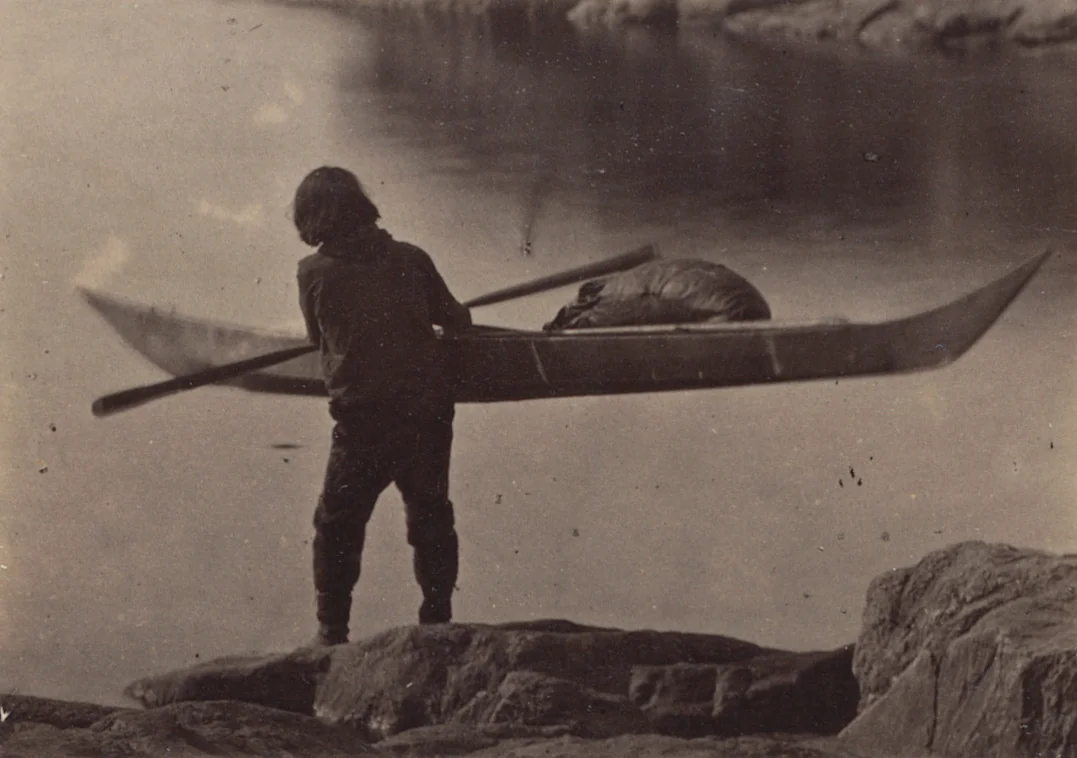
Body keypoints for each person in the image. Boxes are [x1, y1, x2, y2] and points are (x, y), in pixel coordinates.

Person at [292, 166, 472, 646]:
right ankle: (437, 621)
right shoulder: (412, 258)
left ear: (313, 218)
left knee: (337, 524)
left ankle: (331, 633)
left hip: (362, 421)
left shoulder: (313, 271)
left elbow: (318, 339)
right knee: (430, 513)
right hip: (427, 414)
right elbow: (458, 319)